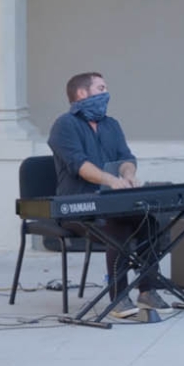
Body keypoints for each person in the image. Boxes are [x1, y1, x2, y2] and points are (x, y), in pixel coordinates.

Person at [47, 72, 168, 319]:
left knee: (151, 225)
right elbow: (79, 165)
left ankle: (148, 290)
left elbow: (125, 157)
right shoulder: (64, 125)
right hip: (78, 206)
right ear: (82, 93)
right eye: (101, 88)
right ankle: (119, 298)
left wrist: (128, 173)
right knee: (117, 229)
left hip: (113, 203)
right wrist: (112, 180)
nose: (106, 93)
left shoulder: (111, 124)